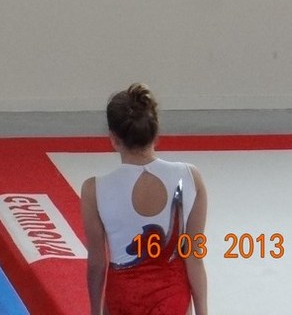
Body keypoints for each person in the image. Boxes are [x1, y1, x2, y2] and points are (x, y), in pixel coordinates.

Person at [80, 83, 209, 315]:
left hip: (124, 298)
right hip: (172, 298)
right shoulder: (190, 177)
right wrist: (203, 312)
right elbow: (194, 257)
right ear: (155, 133)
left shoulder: (94, 190)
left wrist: (94, 312)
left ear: (113, 138)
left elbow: (97, 264)